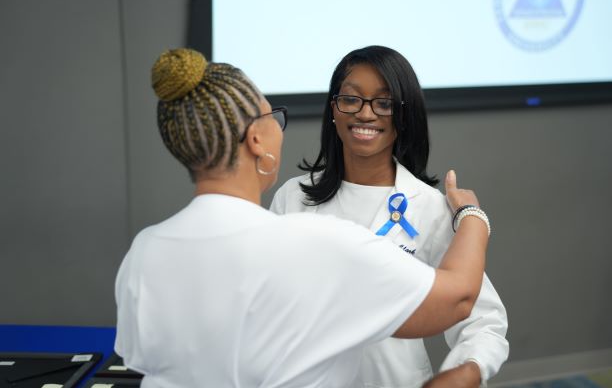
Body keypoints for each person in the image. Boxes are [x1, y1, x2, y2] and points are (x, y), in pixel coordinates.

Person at [115, 48, 491, 388]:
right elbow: (456, 297)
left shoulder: (144, 251)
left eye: (384, 103)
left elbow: (148, 360)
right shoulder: (315, 237)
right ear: (257, 141)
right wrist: (473, 217)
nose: (365, 112)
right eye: (274, 119)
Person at [270, 45, 509, 387]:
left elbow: (483, 319)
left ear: (404, 115)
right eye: (351, 99)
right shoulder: (293, 198)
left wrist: (466, 370)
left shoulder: (428, 207)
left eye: (384, 104)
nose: (366, 114)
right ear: (333, 109)